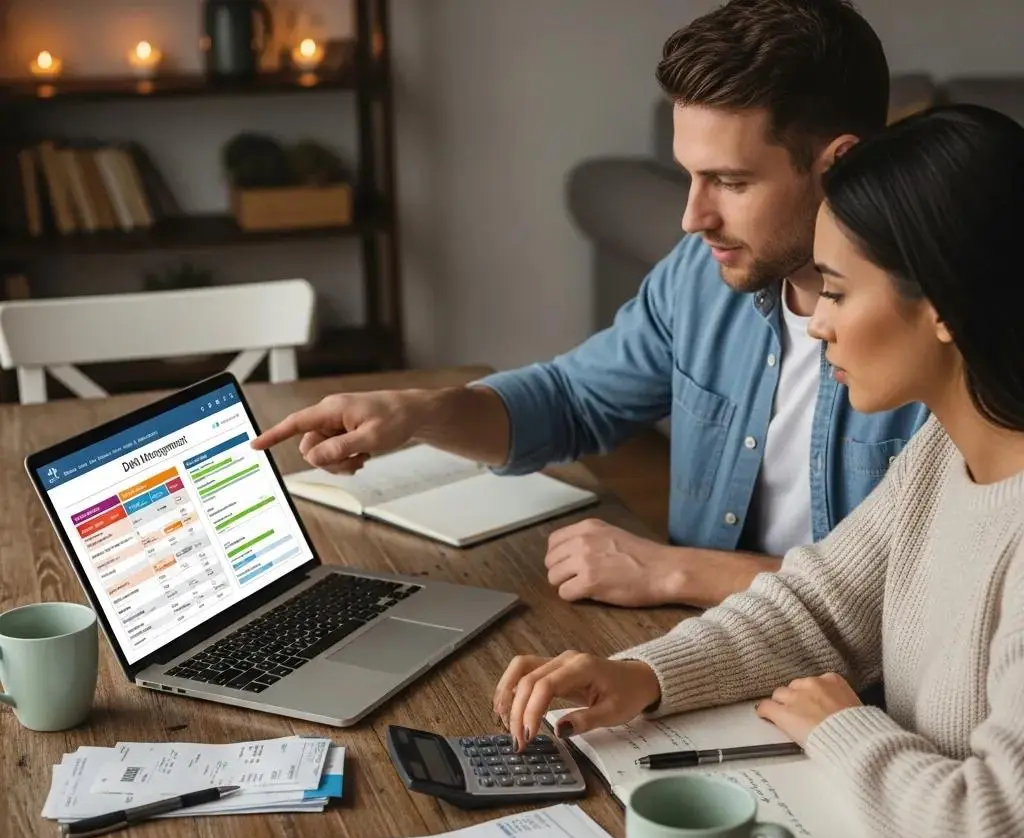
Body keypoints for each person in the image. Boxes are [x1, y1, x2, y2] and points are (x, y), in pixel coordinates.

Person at [492, 104, 1024, 838]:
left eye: (840, 292)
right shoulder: (941, 457)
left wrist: (844, 728)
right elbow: (816, 606)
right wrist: (644, 675)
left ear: (943, 307)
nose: (818, 322)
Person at [253, 0, 927, 610]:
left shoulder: (946, 335)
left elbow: (926, 596)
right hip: (701, 648)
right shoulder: (703, 274)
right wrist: (421, 412)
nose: (693, 217)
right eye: (688, 175)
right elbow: (574, 399)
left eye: (730, 181)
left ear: (839, 165)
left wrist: (681, 572)